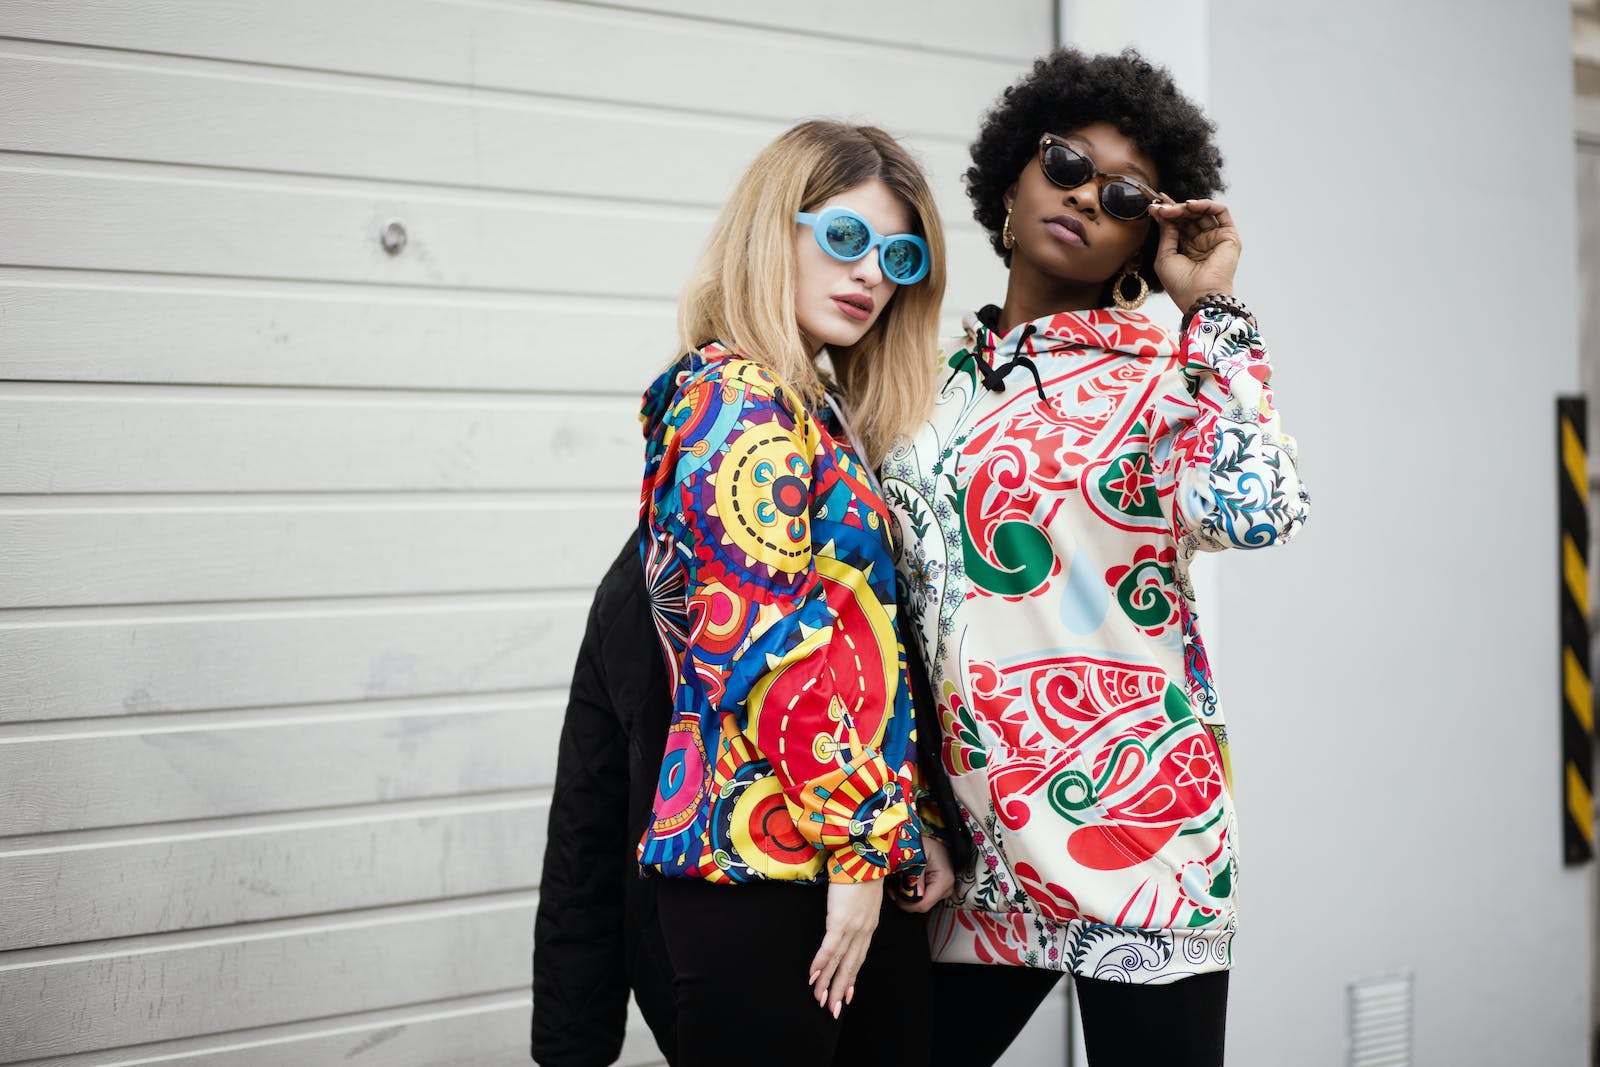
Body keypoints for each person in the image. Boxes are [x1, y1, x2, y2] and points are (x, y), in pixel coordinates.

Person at [879, 48, 1311, 1067]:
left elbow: (1258, 510)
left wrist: (1211, 312)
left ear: (1143, 237)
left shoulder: (1166, 378)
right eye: (1067, 162)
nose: (1084, 195)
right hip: (968, 860)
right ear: (1012, 178)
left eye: (1123, 194)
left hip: (1142, 846)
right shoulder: (920, 385)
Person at [633, 120, 954, 1067]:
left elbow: (868, 642)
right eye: (845, 237)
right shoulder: (733, 396)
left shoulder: (815, 406)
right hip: (760, 865)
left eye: (898, 257)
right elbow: (765, 646)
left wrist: (906, 825)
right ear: (775, 228)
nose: (871, 275)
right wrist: (863, 845)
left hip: (840, 852)